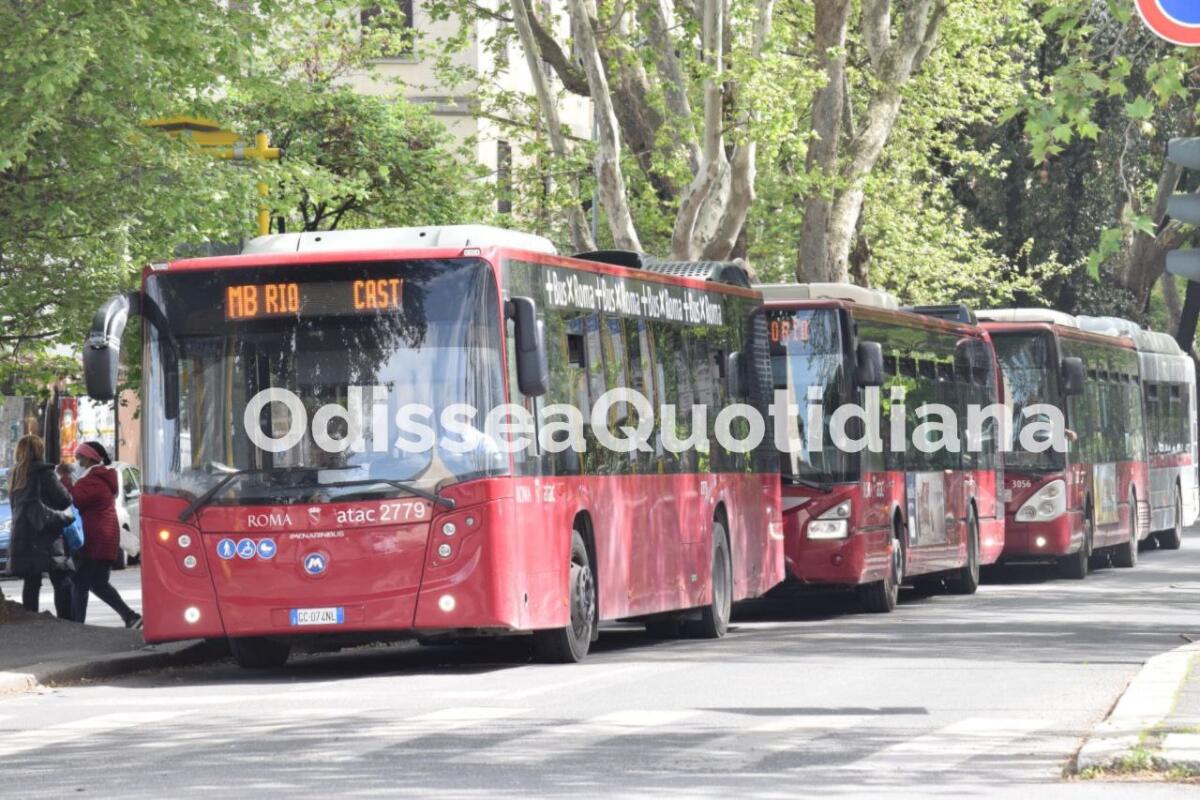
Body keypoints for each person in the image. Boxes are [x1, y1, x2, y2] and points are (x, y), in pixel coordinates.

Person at [69, 441, 142, 628]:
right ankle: (130, 616)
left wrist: (64, 479)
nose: (76, 461)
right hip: (105, 539)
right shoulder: (101, 478)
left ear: (88, 459)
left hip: (96, 540)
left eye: (79, 458)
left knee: (81, 582)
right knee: (97, 583)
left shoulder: (92, 480)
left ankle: (77, 626)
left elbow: (74, 499)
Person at [8, 434, 76, 619]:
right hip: (47, 534)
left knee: (31, 582)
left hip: (24, 536)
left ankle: (30, 620)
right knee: (61, 580)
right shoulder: (45, 472)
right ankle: (66, 621)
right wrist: (64, 478)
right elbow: (65, 500)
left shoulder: (15, 475)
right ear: (40, 451)